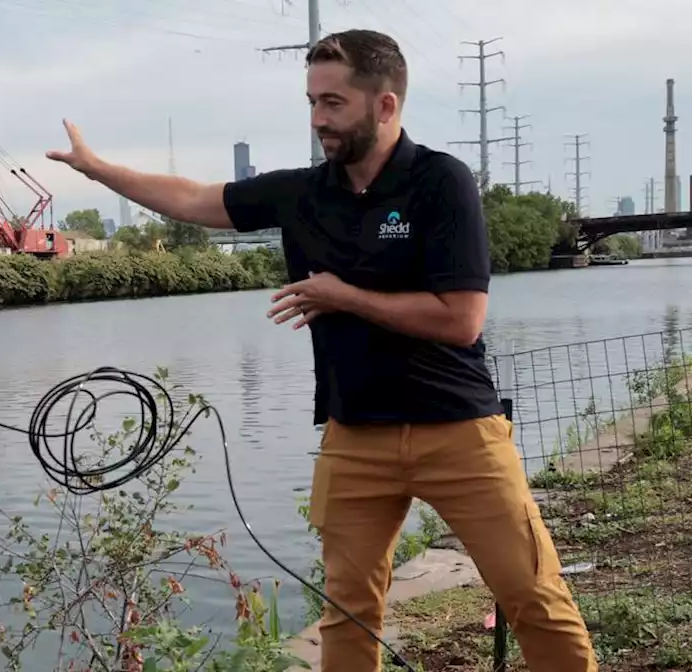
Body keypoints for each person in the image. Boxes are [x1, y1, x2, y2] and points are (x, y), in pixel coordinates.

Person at [46, 28, 597, 672]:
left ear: (385, 105)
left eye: (333, 103)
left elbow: (461, 319)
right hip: (354, 433)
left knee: (533, 595)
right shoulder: (304, 192)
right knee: (349, 613)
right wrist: (99, 169)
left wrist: (345, 296)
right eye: (311, 102)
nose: (317, 120)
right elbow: (196, 199)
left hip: (458, 430)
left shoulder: (440, 182)